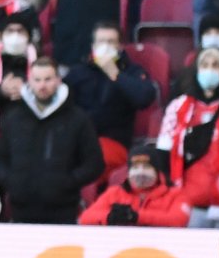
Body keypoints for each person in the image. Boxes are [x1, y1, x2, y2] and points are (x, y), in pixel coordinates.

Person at [0, 55, 103, 222]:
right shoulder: (13, 118)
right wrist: (14, 183)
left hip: (63, 211)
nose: (42, 85)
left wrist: (67, 183)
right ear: (29, 81)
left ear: (58, 80)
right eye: (37, 80)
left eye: (48, 79)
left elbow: (94, 164)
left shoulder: (78, 119)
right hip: (21, 210)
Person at [157, 44, 219, 217]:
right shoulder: (178, 107)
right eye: (205, 65)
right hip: (184, 202)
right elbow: (163, 154)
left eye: (216, 65)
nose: (210, 70)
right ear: (196, 70)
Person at [66, 21, 160, 160]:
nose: (105, 46)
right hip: (80, 138)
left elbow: (145, 98)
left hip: (114, 141)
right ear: (93, 46)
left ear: (120, 46)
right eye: (101, 42)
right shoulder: (78, 72)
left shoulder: (132, 71)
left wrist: (115, 74)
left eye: (111, 42)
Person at [81, 139, 191, 226]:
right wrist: (110, 217)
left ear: (157, 172)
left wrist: (136, 217)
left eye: (146, 167)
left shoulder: (176, 194)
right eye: (135, 167)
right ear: (128, 172)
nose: (140, 172)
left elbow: (178, 219)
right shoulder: (114, 193)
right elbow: (86, 217)